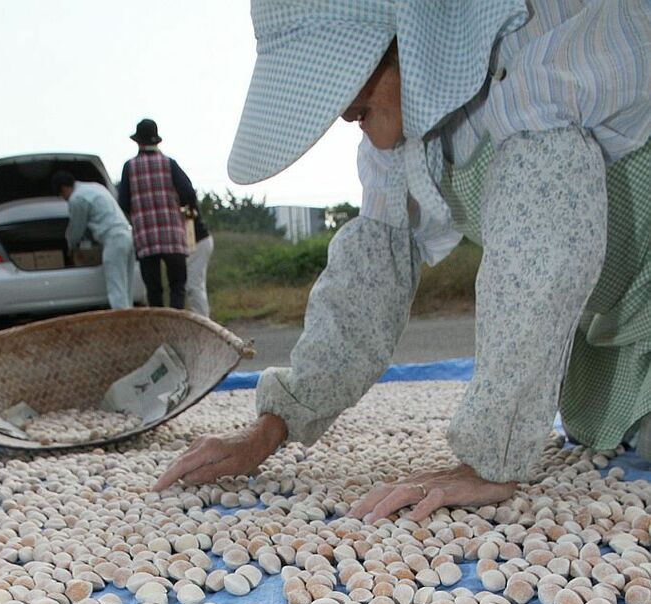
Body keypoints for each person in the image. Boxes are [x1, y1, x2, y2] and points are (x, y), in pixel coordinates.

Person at [154, 0, 651, 522]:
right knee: (603, 431)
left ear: (412, 42)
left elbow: (541, 255)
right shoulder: (402, 139)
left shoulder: (540, 59)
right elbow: (367, 283)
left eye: (352, 77)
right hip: (613, 324)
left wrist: (489, 462)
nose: (344, 113)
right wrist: (272, 426)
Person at [119, 119, 198, 310]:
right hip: (172, 235)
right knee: (177, 286)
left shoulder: (129, 167)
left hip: (145, 238)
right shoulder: (169, 164)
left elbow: (123, 202)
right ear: (157, 141)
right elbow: (188, 192)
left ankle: (160, 332)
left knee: (154, 291)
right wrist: (188, 208)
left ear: (137, 141)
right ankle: (177, 325)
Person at [52, 171, 135, 310]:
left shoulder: (77, 198)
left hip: (113, 239)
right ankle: (131, 321)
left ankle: (122, 324)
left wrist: (70, 246)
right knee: (127, 288)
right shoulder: (95, 187)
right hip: (127, 235)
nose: (64, 199)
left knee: (117, 290)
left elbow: (76, 228)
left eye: (61, 196)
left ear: (63, 189)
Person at [186, 212, 214, 318]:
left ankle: (201, 320)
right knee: (195, 284)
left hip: (197, 242)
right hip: (198, 241)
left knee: (193, 284)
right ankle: (201, 318)